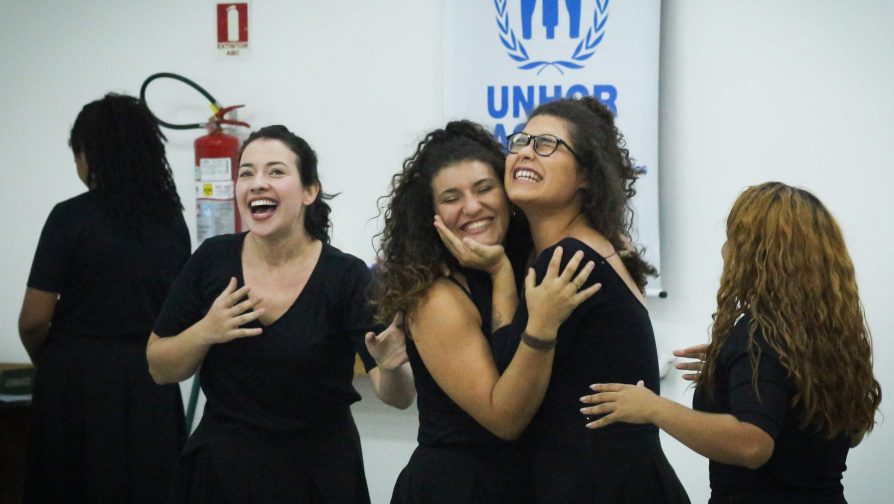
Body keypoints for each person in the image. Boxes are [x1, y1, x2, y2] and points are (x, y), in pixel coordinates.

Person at [146, 125, 415, 503]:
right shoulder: (211, 259)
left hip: (318, 473)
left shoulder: (345, 276)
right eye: (247, 173)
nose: (258, 183)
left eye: (275, 172)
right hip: (222, 472)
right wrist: (205, 331)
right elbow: (159, 367)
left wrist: (389, 365)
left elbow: (399, 397)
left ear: (309, 191)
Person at [583, 182, 882, 503]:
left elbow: (753, 445)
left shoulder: (759, 335)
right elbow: (848, 435)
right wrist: (736, 373)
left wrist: (653, 408)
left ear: (756, 253)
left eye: (732, 238)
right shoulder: (827, 335)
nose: (725, 250)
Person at [374, 120, 600, 503]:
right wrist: (501, 276)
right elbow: (505, 419)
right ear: (431, 215)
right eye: (451, 198)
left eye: (484, 189)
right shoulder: (437, 297)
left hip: (526, 479)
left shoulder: (522, 261)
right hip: (459, 487)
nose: (472, 206)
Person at [493, 96, 689, 503]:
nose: (526, 152)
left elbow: (505, 386)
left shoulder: (567, 261)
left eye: (547, 144)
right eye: (521, 141)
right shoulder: (589, 247)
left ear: (585, 174)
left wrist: (497, 276)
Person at [19, 93, 189, 503]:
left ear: (89, 154)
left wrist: (51, 361)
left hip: (75, 384)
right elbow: (178, 312)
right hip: (151, 381)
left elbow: (34, 319)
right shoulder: (171, 220)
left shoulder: (69, 217)